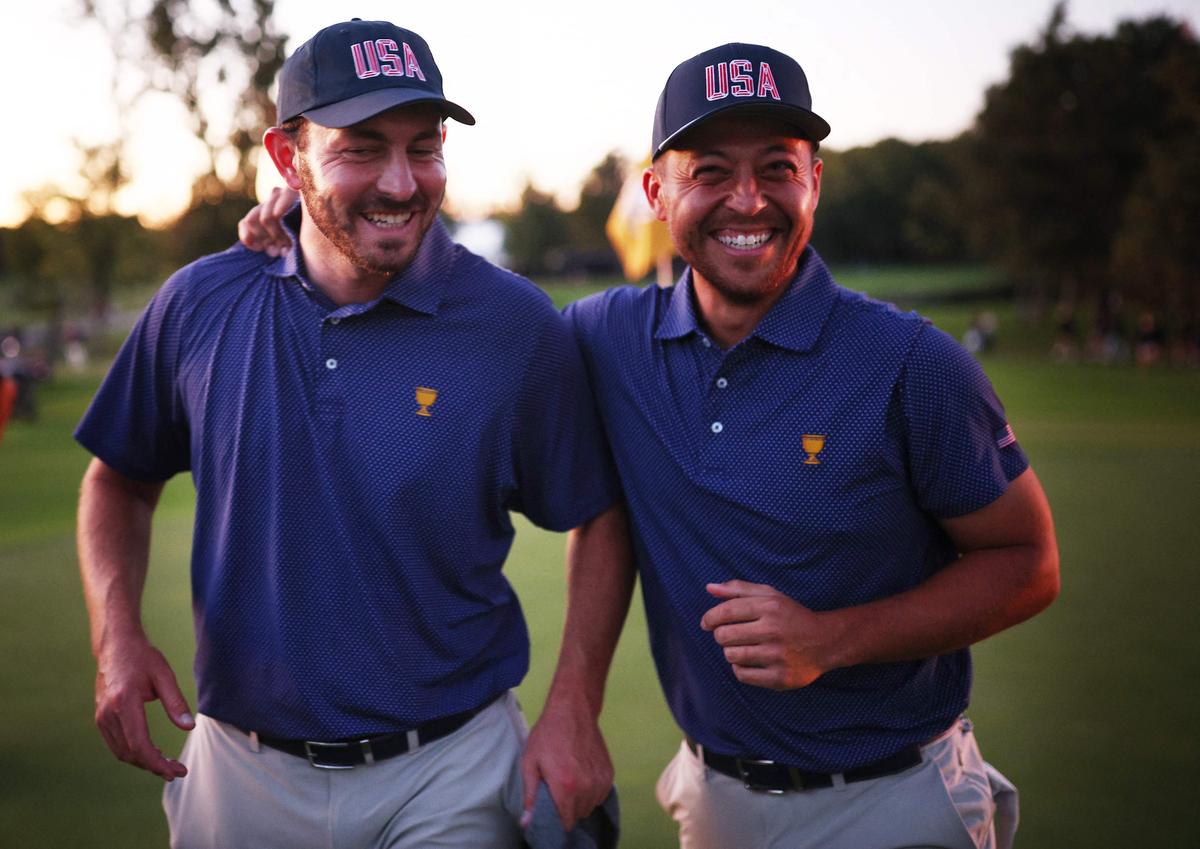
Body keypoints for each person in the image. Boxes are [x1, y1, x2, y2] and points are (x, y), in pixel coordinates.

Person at [239, 43, 1060, 849]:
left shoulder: (913, 364)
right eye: (709, 171)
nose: (747, 200)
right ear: (657, 194)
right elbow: (459, 313)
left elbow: (1028, 562)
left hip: (895, 799)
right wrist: (300, 216)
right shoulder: (604, 338)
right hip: (715, 803)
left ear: (816, 180)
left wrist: (834, 637)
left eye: (777, 167)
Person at [75, 19, 621, 849]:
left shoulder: (515, 325)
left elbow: (599, 509)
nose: (402, 181)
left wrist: (574, 703)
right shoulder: (198, 303)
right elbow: (118, 476)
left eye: (424, 145)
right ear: (289, 158)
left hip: (452, 767)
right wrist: (116, 635)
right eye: (362, 148)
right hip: (239, 768)